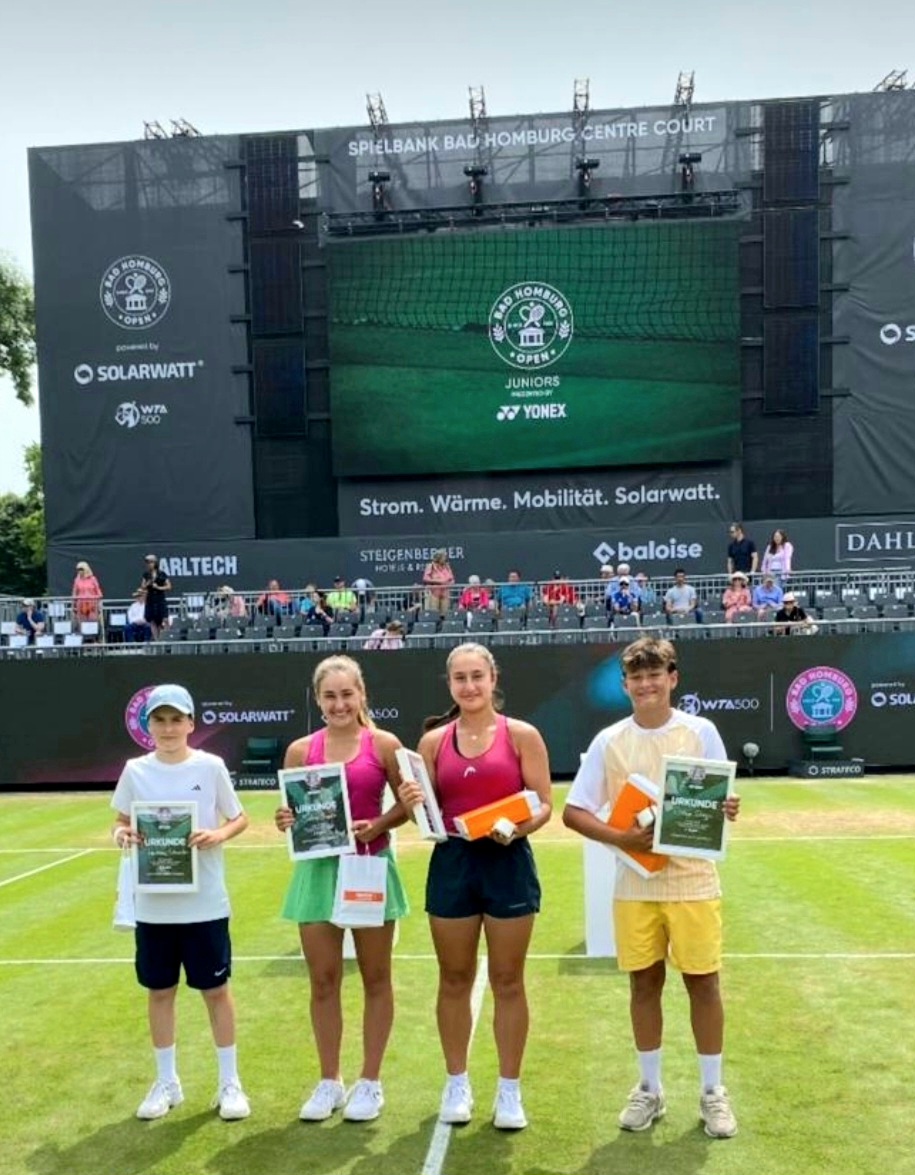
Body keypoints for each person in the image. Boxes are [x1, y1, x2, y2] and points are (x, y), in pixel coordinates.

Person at [562, 637, 741, 1140]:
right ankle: (649, 1088)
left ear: (673, 678)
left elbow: (720, 802)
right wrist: (620, 836)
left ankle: (713, 1092)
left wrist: (727, 809)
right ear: (625, 685)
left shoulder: (701, 732)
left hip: (693, 880)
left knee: (703, 983)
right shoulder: (609, 741)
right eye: (636, 677)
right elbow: (573, 811)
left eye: (654, 675)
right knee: (644, 985)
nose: (646, 684)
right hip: (635, 885)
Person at [397, 643, 552, 1131]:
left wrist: (517, 827)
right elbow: (427, 814)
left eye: (477, 677)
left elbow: (544, 804)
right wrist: (410, 800)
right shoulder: (432, 742)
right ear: (450, 684)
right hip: (454, 865)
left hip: (508, 862)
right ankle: (456, 1081)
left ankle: (510, 1090)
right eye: (460, 678)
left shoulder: (522, 734)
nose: (469, 686)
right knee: (454, 978)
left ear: (492, 678)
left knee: (508, 981)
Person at [275, 656, 410, 1123]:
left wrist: (380, 822)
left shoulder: (385, 744)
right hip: (316, 875)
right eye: (330, 696)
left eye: (346, 694)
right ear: (318, 699)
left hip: (369, 869)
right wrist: (285, 820)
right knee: (323, 981)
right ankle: (329, 1081)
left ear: (361, 694)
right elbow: (292, 815)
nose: (339, 704)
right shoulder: (300, 751)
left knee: (376, 979)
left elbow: (410, 805)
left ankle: (370, 1082)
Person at [110, 684, 251, 1121]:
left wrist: (218, 835)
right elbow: (120, 819)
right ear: (147, 726)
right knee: (160, 992)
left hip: (205, 903)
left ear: (191, 723)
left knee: (216, 991)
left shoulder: (211, 767)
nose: (168, 728)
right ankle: (167, 1081)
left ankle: (230, 1083)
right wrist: (122, 834)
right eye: (160, 720)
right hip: (153, 904)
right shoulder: (135, 770)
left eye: (176, 719)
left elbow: (239, 817)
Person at [138, 555, 172, 639]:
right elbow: (142, 586)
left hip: (160, 599)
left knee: (163, 619)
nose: (149, 564)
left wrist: (159, 587)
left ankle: (165, 639)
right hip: (150, 599)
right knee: (152, 621)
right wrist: (147, 584)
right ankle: (156, 640)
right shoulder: (146, 575)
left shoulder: (162, 574)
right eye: (148, 563)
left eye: (151, 562)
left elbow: (169, 586)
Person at [423, 549, 455, 615]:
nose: (445, 559)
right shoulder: (431, 566)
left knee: (445, 614)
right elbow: (425, 578)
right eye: (444, 557)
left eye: (445, 557)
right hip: (434, 593)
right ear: (439, 557)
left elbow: (452, 578)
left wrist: (451, 583)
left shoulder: (447, 566)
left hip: (445, 593)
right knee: (434, 613)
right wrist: (439, 581)